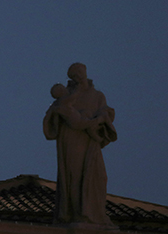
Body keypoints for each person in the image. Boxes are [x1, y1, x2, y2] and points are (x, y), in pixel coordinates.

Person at [43, 63, 117, 229]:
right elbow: (53, 118)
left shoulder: (97, 95)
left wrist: (99, 117)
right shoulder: (67, 96)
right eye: (74, 75)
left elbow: (106, 111)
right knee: (74, 176)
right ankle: (77, 213)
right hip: (71, 140)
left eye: (80, 73)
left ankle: (94, 214)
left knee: (98, 176)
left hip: (90, 141)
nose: (78, 77)